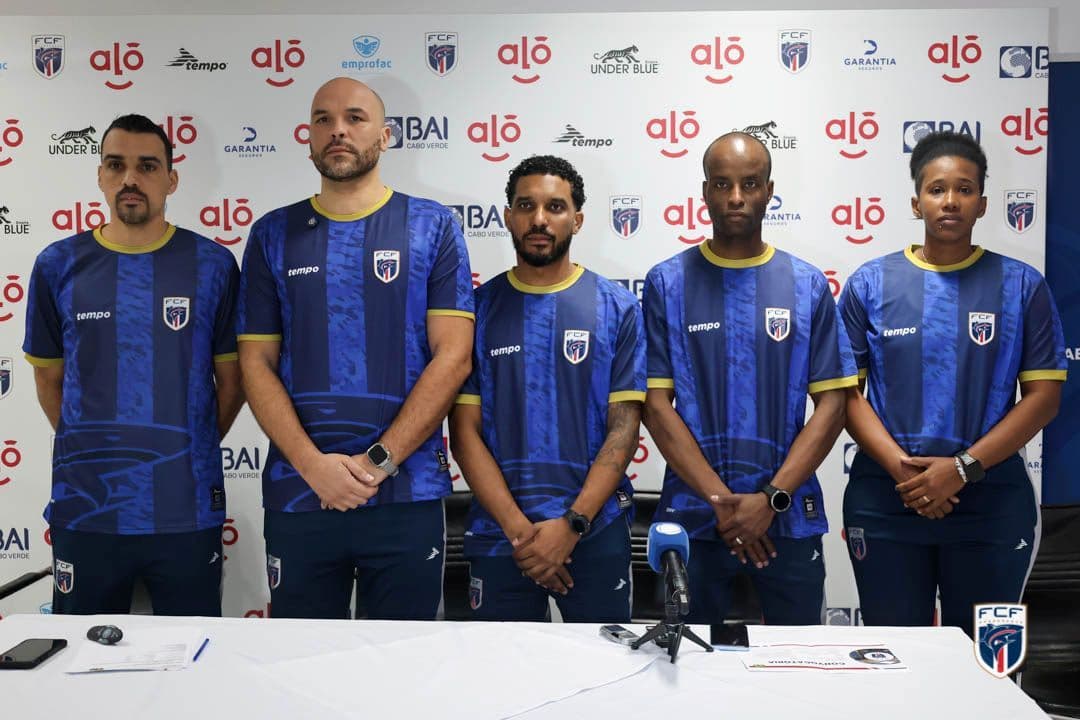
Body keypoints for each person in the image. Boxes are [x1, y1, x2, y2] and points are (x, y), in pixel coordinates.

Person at [237, 77, 474, 620]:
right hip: (300, 493)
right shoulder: (273, 233)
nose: (337, 129)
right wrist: (312, 466)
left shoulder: (433, 225)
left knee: (403, 669)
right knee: (300, 671)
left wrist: (377, 463)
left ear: (386, 135)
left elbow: (453, 356)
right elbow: (255, 362)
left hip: (406, 493)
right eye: (323, 119)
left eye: (354, 117)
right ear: (309, 136)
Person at [838, 131, 1066, 637]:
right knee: (895, 660)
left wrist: (962, 469)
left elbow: (1044, 398)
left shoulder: (1022, 285)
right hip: (887, 500)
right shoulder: (869, 284)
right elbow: (846, 397)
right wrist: (908, 473)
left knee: (985, 668)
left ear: (983, 203)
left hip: (990, 504)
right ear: (915, 200)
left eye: (965, 189)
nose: (950, 201)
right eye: (937, 189)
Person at [23, 113, 244, 616]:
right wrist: (100, 452)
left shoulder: (212, 264)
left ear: (171, 179)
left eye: (147, 166)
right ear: (100, 175)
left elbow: (232, 383)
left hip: (185, 510)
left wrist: (188, 446)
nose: (130, 179)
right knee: (77, 662)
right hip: (87, 508)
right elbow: (48, 379)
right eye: (116, 165)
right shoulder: (57, 264)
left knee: (193, 659)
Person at [642, 132, 857, 625]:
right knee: (688, 681)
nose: (736, 197)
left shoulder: (805, 284)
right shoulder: (666, 282)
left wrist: (771, 499)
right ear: (704, 191)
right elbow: (655, 405)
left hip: (789, 518)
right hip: (695, 520)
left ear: (769, 189)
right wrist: (722, 502)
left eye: (749, 184)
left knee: (797, 676)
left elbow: (833, 404)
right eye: (722, 184)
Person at [449, 155, 645, 621]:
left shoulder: (617, 307)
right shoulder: (476, 311)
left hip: (593, 531)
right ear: (508, 216)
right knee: (503, 686)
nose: (539, 219)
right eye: (526, 205)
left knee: (606, 680)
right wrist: (524, 535)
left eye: (555, 207)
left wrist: (572, 525)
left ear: (577, 219)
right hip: (502, 537)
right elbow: (464, 435)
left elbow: (624, 431)